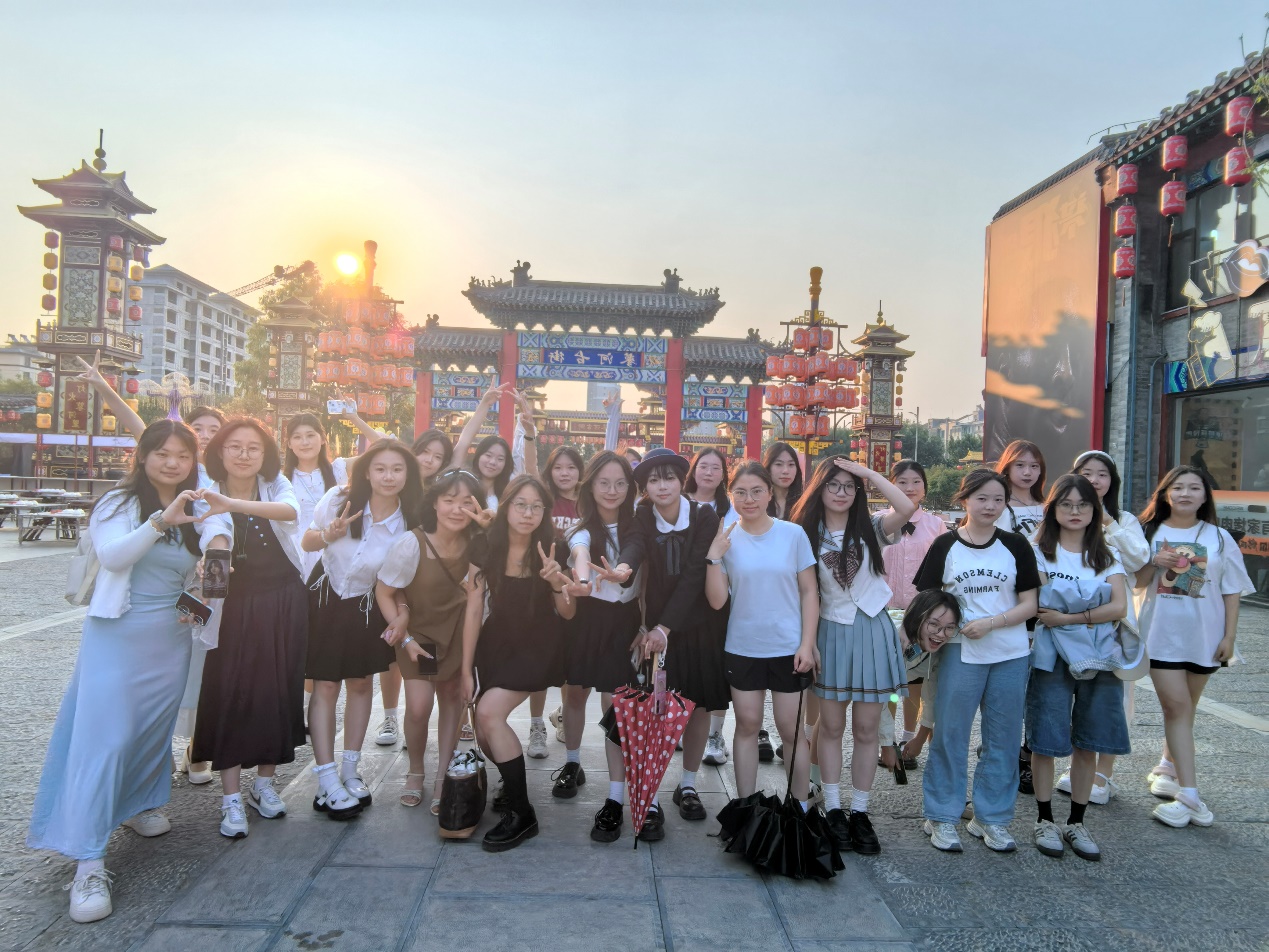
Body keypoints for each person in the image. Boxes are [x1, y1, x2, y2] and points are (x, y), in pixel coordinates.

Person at [27, 421, 233, 924]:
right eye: (162, 453)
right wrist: (162, 520)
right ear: (142, 456)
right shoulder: (118, 503)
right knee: (108, 739)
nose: (172, 463)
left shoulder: (199, 506)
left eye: (182, 455)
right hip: (116, 636)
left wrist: (203, 589)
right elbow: (114, 557)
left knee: (149, 732)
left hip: (169, 640)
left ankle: (137, 804)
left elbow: (204, 580)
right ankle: (88, 861)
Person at [913, 468, 1041, 854]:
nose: (990, 506)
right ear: (965, 499)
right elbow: (927, 599)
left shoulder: (1016, 545)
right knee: (950, 735)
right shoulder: (945, 545)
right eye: (982, 498)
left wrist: (992, 623)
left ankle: (991, 818)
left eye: (998, 500)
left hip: (1011, 654)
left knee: (1003, 740)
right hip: (960, 652)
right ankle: (941, 816)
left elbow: (1030, 604)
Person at [791, 456, 914, 854]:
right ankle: (832, 808)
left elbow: (907, 506)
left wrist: (869, 473)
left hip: (873, 630)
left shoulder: (872, 528)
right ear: (820, 488)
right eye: (833, 485)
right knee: (829, 726)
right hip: (830, 631)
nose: (842, 492)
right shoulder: (804, 534)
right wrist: (807, 641)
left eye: (849, 486)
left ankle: (860, 811)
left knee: (866, 728)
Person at [192, 418, 308, 839]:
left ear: (265, 454)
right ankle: (230, 798)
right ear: (220, 452)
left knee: (277, 690)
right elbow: (215, 536)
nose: (243, 455)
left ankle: (263, 784)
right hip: (237, 608)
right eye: (235, 446)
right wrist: (211, 583)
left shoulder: (275, 484)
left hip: (284, 600)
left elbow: (291, 512)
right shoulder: (207, 492)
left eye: (253, 448)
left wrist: (234, 504)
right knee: (231, 692)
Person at [608, 448, 729, 833]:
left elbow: (695, 573)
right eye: (654, 480)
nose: (662, 486)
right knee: (656, 711)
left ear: (681, 481)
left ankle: (688, 785)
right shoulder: (643, 516)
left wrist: (665, 628)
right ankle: (652, 795)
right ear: (645, 486)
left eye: (669, 478)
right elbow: (634, 545)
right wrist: (624, 568)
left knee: (699, 707)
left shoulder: (704, 516)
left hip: (699, 626)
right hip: (659, 634)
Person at [302, 440, 424, 820]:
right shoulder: (339, 499)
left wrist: (402, 613)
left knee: (359, 683)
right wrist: (330, 534)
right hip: (325, 597)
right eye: (380, 468)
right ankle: (326, 778)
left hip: (367, 605)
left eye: (397, 469)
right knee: (325, 685)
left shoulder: (409, 521)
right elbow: (307, 540)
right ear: (367, 472)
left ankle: (350, 771)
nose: (389, 476)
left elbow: (398, 581)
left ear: (408, 475)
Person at [461, 476, 576, 852]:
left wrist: (556, 582)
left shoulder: (553, 547)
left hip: (538, 645)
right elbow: (474, 607)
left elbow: (568, 613)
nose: (528, 513)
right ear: (506, 506)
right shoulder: (486, 544)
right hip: (497, 643)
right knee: (484, 730)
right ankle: (512, 787)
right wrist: (465, 669)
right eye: (520, 504)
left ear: (545, 511)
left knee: (489, 715)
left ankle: (523, 813)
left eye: (536, 506)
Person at [1135, 466, 1253, 828]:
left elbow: (1232, 590)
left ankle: (1168, 765)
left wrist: (1229, 637)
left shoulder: (1219, 537)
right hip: (1160, 636)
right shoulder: (1147, 532)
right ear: (1165, 494)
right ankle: (1189, 796)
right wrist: (1154, 562)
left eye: (1194, 488)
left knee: (1186, 708)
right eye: (1178, 487)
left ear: (1205, 496)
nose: (1185, 494)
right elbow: (1133, 582)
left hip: (1204, 637)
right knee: (1177, 706)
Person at [1027, 474, 1130, 861]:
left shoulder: (1107, 553)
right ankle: (1044, 819)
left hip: (1099, 658)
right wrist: (1094, 605)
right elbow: (1043, 600)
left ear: (1094, 510)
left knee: (1089, 739)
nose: (1075, 511)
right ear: (1052, 508)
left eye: (1083, 504)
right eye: (1066, 504)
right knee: (1045, 737)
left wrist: (1068, 616)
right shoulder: (1038, 550)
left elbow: (1119, 606)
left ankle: (1077, 821)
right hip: (1051, 656)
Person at [706, 460, 819, 809]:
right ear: (730, 495)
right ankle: (745, 807)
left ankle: (799, 807)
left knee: (791, 730)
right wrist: (713, 558)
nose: (749, 499)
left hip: (788, 647)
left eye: (757, 491)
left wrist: (807, 644)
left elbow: (809, 592)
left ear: (770, 493)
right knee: (747, 725)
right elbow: (717, 601)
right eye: (740, 492)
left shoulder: (792, 534)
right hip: (743, 646)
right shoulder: (726, 539)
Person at [375, 469, 482, 814]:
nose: (457, 510)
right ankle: (416, 771)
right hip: (420, 638)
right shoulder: (413, 542)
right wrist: (404, 636)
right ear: (434, 503)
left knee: (452, 700)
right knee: (419, 707)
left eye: (466, 503)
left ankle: (442, 777)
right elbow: (385, 591)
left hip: (459, 633)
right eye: (449, 500)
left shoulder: (479, 545)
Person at [549, 452, 643, 838]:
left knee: (616, 705)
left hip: (624, 623)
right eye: (604, 482)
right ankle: (572, 763)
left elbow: (633, 552)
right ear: (590, 486)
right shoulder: (581, 528)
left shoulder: (638, 525)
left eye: (620, 483)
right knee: (575, 693)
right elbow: (580, 551)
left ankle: (616, 796)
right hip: (586, 619)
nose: (612, 490)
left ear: (629, 487)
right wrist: (584, 580)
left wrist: (620, 571)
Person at [1054, 450, 1150, 803]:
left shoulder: (1123, 520)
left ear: (1113, 481)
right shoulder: (1065, 515)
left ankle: (1103, 774)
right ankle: (1078, 767)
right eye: (1086, 472)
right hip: (1067, 623)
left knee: (1113, 699)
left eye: (1102, 474)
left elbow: (1139, 558)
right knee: (1070, 695)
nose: (1094, 480)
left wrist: (1107, 520)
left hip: (1113, 620)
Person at [375, 428, 457, 750]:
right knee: (394, 657)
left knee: (433, 677)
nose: (430, 460)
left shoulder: (439, 493)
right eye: (425, 452)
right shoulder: (398, 484)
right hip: (391, 580)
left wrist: (483, 407)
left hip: (422, 591)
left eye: (438, 457)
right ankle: (391, 717)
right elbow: (380, 450)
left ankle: (420, 730)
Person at [877, 459, 948, 769]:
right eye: (901, 482)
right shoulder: (877, 522)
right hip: (883, 613)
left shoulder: (936, 526)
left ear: (924, 488)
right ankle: (887, 740)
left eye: (916, 481)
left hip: (921, 616)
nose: (909, 487)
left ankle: (908, 738)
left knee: (915, 682)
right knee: (890, 684)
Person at [993, 438, 1046, 795]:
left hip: (1050, 603)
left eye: (1034, 466)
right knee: (1013, 686)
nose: (1027, 472)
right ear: (1007, 468)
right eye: (1020, 465)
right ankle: (1010, 754)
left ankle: (1029, 753)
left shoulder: (1049, 506)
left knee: (1041, 684)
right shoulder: (998, 506)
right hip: (1013, 602)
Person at [684, 448, 735, 767]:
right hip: (682, 595)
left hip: (717, 596)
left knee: (714, 670)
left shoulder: (730, 510)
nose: (709, 472)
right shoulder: (678, 502)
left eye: (716, 468)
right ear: (694, 470)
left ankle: (714, 735)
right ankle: (683, 726)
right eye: (703, 466)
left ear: (723, 476)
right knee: (684, 669)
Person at [539, 444, 585, 746]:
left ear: (580, 471)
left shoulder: (589, 502)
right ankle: (538, 723)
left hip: (577, 588)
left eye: (570, 467)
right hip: (544, 587)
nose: (564, 473)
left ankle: (564, 717)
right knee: (545, 657)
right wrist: (529, 434)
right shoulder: (544, 500)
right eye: (558, 467)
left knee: (571, 660)